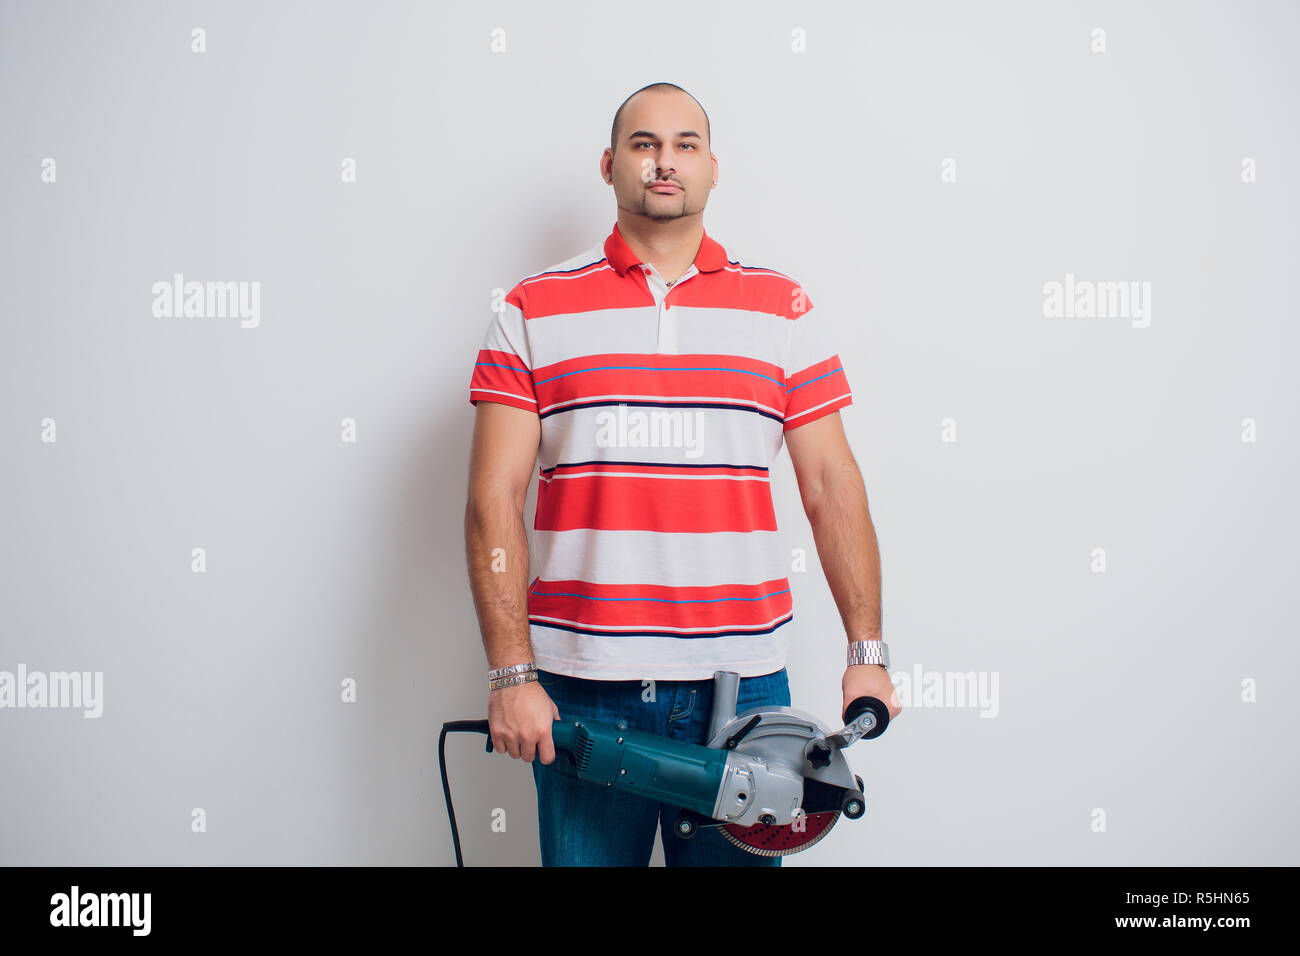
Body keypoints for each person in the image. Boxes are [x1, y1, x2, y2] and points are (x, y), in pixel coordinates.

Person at [465, 82, 900, 866]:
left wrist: (866, 655)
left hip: (743, 695)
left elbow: (831, 486)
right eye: (643, 144)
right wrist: (511, 673)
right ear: (609, 164)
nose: (664, 162)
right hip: (582, 688)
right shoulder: (531, 308)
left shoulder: (781, 309)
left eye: (684, 145)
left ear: (712, 168)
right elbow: (492, 498)